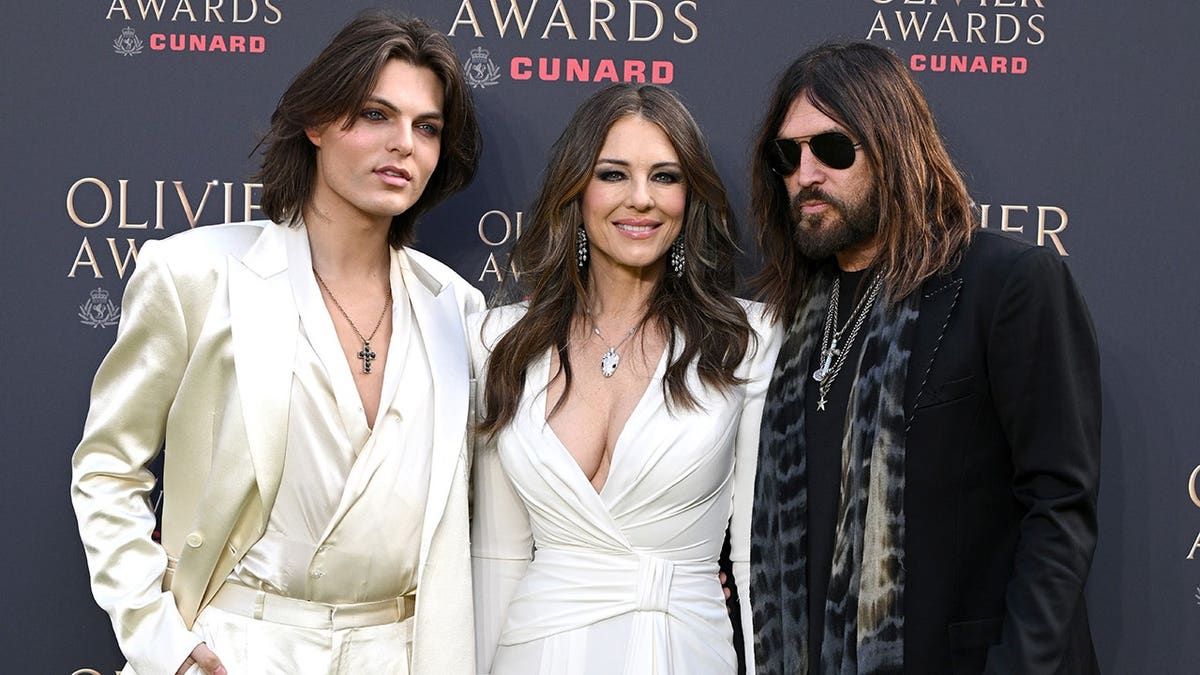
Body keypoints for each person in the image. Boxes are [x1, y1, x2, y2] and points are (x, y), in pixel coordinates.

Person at [70, 12, 483, 675]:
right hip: (240, 648)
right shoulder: (195, 274)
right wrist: (162, 642)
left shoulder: (457, 308)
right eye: (376, 114)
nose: (404, 144)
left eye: (426, 127)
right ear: (316, 123)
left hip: (399, 653)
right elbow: (107, 468)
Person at [746, 41, 1101, 674]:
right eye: (787, 154)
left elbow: (1058, 511)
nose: (806, 174)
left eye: (831, 148)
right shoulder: (789, 323)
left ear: (891, 146)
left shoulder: (1006, 283)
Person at [468, 83, 780, 674]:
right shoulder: (502, 342)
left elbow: (752, 559)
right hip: (533, 653)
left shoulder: (748, 341)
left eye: (665, 176)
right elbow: (497, 555)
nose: (641, 199)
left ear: (690, 198)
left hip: (683, 650)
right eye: (613, 174)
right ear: (578, 191)